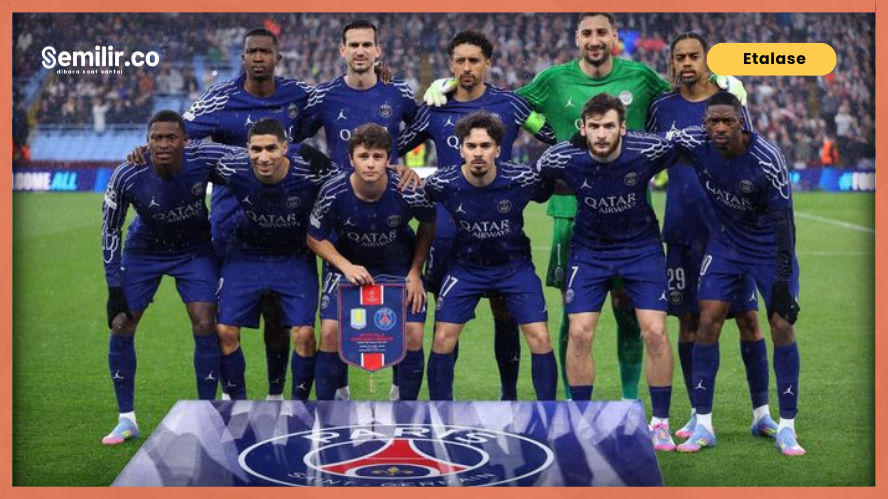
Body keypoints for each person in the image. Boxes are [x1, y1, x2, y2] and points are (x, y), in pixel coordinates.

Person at [514, 13, 672, 399]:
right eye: (587, 33)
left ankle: (630, 400)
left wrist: (719, 84)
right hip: (570, 212)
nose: (595, 40)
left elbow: (676, 100)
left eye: (602, 32)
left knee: (628, 310)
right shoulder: (554, 79)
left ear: (615, 37)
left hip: (630, 212)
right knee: (575, 316)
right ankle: (574, 402)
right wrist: (547, 133)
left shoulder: (640, 76)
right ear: (577, 38)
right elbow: (511, 106)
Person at [397, 30, 556, 401]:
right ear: (450, 65)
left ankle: (508, 396)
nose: (467, 67)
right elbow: (395, 145)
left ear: (488, 63)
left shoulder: (512, 105)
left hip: (501, 231)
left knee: (505, 314)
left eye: (474, 60)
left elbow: (552, 134)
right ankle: (444, 405)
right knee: (446, 324)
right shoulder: (435, 107)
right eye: (460, 61)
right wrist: (399, 167)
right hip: (446, 232)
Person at [646, 33, 777, 440]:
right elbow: (648, 155)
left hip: (731, 231)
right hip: (683, 228)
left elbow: (750, 153)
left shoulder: (728, 101)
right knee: (688, 321)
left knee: (748, 319)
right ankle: (697, 414)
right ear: (671, 63)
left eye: (694, 56)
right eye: (679, 57)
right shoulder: (661, 108)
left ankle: (762, 413)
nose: (687, 63)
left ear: (707, 60)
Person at [536, 94, 676, 451]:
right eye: (594, 126)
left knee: (655, 332)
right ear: (582, 128)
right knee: (579, 333)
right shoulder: (562, 157)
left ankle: (660, 423)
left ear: (623, 128)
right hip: (590, 251)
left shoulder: (647, 149)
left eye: (609, 126)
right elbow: (536, 179)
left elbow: (692, 146)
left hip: (641, 250)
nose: (601, 134)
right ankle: (581, 419)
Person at [183, 27, 313, 400]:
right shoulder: (219, 98)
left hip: (284, 228)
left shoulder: (299, 95)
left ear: (277, 57)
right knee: (225, 321)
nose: (258, 57)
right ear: (242, 57)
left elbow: (339, 102)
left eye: (264, 51)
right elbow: (181, 138)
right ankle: (231, 396)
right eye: (251, 51)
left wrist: (380, 75)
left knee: (278, 316)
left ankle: (275, 395)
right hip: (230, 227)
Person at [671, 92, 804, 456]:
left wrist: (782, 281)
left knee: (781, 324)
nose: (720, 128)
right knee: (707, 319)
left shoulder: (767, 158)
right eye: (713, 121)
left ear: (741, 121)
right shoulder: (694, 143)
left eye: (727, 121)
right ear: (705, 123)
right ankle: (703, 423)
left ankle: (786, 426)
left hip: (767, 248)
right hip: (726, 244)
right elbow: (651, 144)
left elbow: (784, 223)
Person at [296, 19, 420, 399]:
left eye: (368, 44)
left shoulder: (398, 91)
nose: (361, 51)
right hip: (341, 221)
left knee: (404, 324)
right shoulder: (324, 96)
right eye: (354, 45)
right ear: (342, 50)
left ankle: (400, 396)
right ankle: (339, 395)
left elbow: (422, 126)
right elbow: (292, 136)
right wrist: (316, 169)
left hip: (389, 210)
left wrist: (402, 165)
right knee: (333, 328)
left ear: (378, 50)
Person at [101, 111, 231, 444]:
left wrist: (297, 154)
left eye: (170, 137)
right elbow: (110, 230)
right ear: (147, 141)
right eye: (155, 138)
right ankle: (126, 419)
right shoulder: (127, 174)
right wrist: (114, 288)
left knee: (205, 321)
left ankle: (207, 412)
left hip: (194, 250)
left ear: (185, 140)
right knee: (121, 323)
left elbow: (251, 157)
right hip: (144, 250)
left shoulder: (203, 158)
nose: (162, 144)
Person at [423, 111, 558, 402]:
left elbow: (560, 184)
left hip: (515, 269)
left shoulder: (521, 178)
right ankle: (440, 411)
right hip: (466, 269)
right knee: (443, 337)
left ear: (498, 149)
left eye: (485, 146)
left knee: (540, 337)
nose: (478, 153)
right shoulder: (441, 183)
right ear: (461, 149)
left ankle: (546, 413)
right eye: (471, 146)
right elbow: (413, 203)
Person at [208, 118, 338, 400]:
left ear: (285, 147)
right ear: (247, 148)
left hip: (294, 256)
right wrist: (144, 153)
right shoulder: (232, 166)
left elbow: (352, 179)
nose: (263, 157)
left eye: (271, 148)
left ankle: (297, 407)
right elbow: (190, 156)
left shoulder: (309, 170)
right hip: (245, 254)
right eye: (256, 149)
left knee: (304, 335)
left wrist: (398, 171)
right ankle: (238, 405)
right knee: (224, 331)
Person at [307, 124, 436, 400]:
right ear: (351, 158)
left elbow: (428, 224)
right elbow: (314, 237)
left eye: (377, 156)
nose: (370, 163)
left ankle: (403, 402)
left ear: (388, 159)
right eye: (363, 156)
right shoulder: (333, 191)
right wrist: (345, 266)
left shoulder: (408, 189)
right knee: (329, 332)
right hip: (348, 264)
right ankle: (330, 404)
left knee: (413, 332)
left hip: (398, 265)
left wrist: (415, 272)